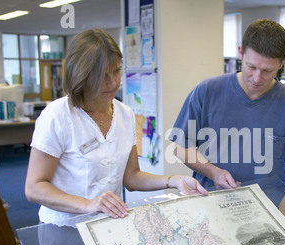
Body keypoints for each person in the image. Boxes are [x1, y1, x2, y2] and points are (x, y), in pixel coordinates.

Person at [169, 19, 285, 242]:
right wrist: (213, 172)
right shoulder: (207, 91)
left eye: (267, 71)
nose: (257, 78)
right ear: (240, 53)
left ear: (282, 63)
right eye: (251, 67)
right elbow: (181, 147)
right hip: (209, 218)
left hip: (263, 225)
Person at [25, 28, 207, 226]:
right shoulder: (57, 116)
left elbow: (131, 177)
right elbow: (34, 188)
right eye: (102, 75)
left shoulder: (126, 114)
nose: (112, 83)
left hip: (108, 226)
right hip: (63, 227)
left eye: (117, 71)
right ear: (82, 74)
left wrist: (174, 180)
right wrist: (88, 204)